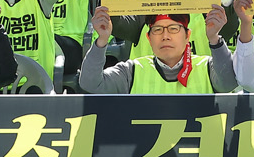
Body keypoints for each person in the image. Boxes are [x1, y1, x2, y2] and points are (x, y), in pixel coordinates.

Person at [81, 7, 233, 94]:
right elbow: (90, 83)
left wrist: (214, 39)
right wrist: (102, 40)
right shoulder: (132, 71)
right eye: (158, 30)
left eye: (173, 29)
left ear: (187, 36)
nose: (165, 36)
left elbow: (228, 83)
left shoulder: (207, 67)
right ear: (148, 38)